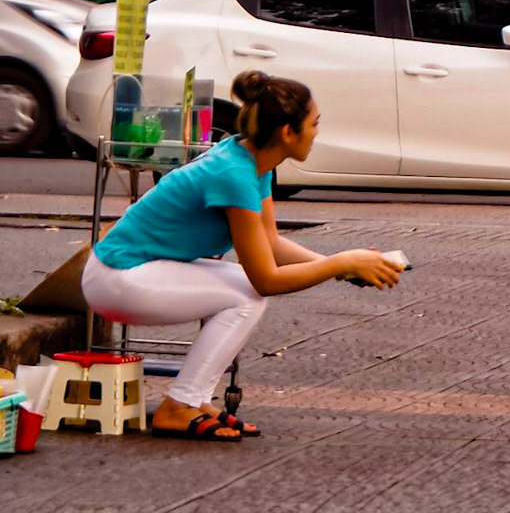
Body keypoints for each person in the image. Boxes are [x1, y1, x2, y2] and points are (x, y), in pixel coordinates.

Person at [81, 72, 402, 442]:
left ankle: (194, 401)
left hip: (127, 271)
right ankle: (178, 406)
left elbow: (271, 243)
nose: (316, 133)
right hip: (118, 278)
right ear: (286, 132)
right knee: (247, 295)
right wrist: (341, 262)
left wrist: (342, 266)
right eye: (313, 125)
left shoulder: (250, 159)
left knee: (243, 290)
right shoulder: (234, 174)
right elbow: (266, 278)